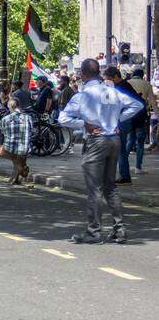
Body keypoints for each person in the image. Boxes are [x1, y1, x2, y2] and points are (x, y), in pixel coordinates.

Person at [57, 58, 143, 243]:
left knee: (95, 189)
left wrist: (83, 124)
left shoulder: (84, 94)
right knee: (110, 187)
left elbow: (62, 118)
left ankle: (93, 232)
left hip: (96, 141)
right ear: (98, 72)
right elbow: (138, 105)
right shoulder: (113, 91)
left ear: (83, 74)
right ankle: (119, 230)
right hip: (114, 139)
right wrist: (118, 119)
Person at [0, 98, 32, 183]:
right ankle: (20, 171)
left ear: (10, 106)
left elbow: (3, 133)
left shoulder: (5, 119)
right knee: (19, 153)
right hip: (24, 150)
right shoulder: (28, 117)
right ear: (18, 105)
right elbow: (31, 131)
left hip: (9, 150)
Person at [124, 67, 156, 173]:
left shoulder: (127, 83)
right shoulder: (147, 85)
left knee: (130, 140)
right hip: (141, 115)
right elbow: (152, 101)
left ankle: (123, 165)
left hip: (128, 115)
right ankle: (138, 167)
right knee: (140, 142)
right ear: (142, 76)